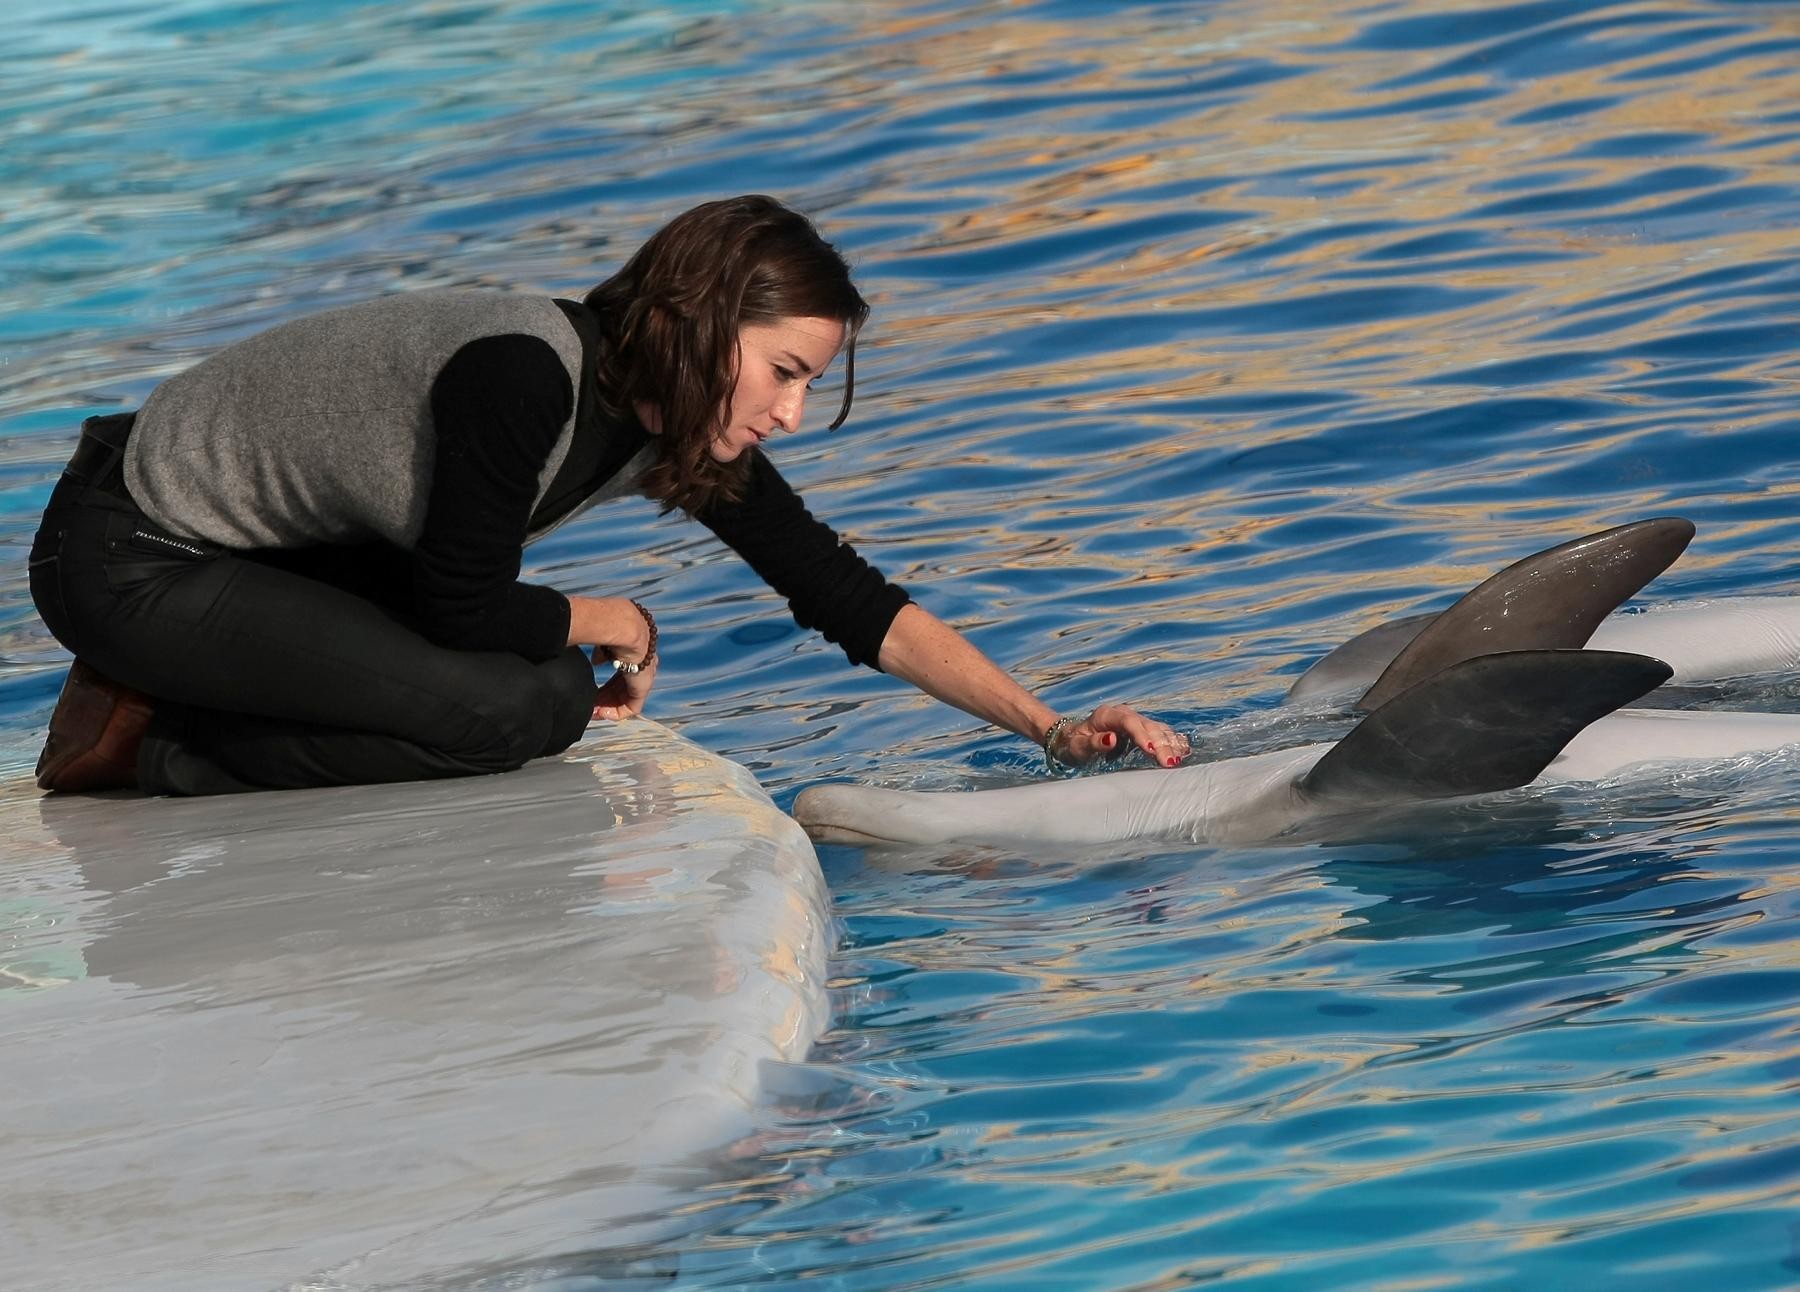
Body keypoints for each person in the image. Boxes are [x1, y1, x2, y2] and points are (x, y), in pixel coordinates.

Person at [29, 195, 1190, 796]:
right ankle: (152, 747)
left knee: (544, 692)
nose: (789, 412)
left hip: (248, 568)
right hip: (132, 555)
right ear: (697, 321)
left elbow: (839, 591)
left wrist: (1052, 727)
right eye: (784, 372)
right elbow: (460, 605)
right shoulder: (525, 373)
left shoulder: (659, 413)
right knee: (513, 706)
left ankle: (179, 708)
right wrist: (617, 618)